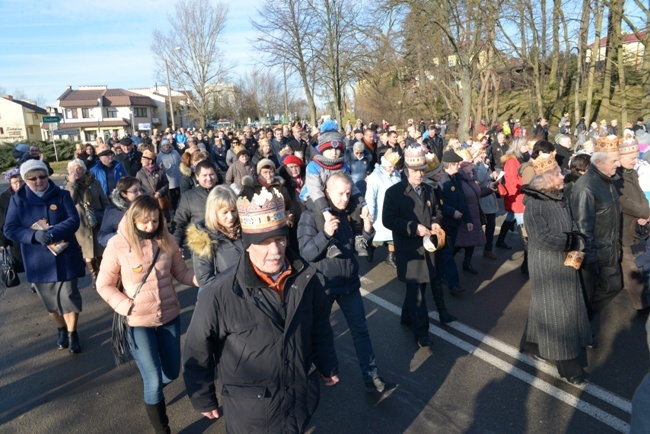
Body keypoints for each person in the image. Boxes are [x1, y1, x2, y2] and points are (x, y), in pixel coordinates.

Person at [183, 186, 339, 432]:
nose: (275, 251)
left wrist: (327, 364)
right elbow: (198, 345)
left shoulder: (306, 278)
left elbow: (320, 325)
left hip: (298, 400)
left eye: (279, 239)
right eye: (264, 243)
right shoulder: (220, 292)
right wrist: (201, 395)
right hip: (250, 413)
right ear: (247, 245)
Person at [97, 195, 197, 433]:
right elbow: (104, 284)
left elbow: (181, 274)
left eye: (155, 221)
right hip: (137, 321)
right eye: (145, 222)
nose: (150, 227)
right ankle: (163, 428)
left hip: (169, 317)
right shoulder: (117, 244)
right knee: (152, 379)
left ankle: (152, 392)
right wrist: (125, 306)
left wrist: (204, 278)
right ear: (133, 220)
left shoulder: (167, 240)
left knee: (171, 372)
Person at [298, 173, 390, 393]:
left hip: (349, 284)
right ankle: (317, 371)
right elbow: (306, 253)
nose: (345, 198)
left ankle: (372, 376)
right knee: (319, 331)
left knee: (360, 330)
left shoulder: (349, 214)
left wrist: (367, 229)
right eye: (340, 193)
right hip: (324, 285)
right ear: (327, 192)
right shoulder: (311, 216)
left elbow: (360, 247)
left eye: (348, 193)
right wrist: (326, 234)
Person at [519, 154, 591, 384]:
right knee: (559, 314)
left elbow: (569, 225)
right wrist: (572, 240)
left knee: (546, 306)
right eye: (558, 173)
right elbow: (542, 238)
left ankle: (530, 343)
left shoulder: (558, 197)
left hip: (564, 260)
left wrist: (578, 237)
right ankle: (569, 368)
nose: (563, 175)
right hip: (548, 265)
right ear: (548, 179)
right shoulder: (535, 204)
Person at [4, 160, 86, 354]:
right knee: (50, 301)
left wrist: (52, 233)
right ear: (25, 180)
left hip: (64, 254)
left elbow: (73, 220)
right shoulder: (18, 200)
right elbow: (10, 228)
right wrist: (33, 236)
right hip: (38, 260)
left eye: (42, 176)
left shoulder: (62, 194)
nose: (38, 181)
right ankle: (61, 330)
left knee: (70, 296)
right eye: (32, 178)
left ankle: (73, 333)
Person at [383, 146, 448, 348]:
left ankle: (406, 316)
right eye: (415, 171)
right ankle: (422, 334)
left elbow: (437, 210)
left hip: (429, 247)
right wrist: (413, 228)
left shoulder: (430, 189)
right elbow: (388, 220)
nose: (419, 174)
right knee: (417, 293)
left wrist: (436, 222)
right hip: (409, 251)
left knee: (418, 288)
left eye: (422, 170)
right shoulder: (394, 193)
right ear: (405, 171)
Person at [570, 136, 622, 325]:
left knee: (613, 287)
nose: (618, 163)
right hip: (595, 254)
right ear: (598, 162)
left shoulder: (608, 181)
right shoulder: (586, 187)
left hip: (609, 249)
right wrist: (589, 261)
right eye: (614, 160)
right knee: (588, 297)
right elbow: (582, 226)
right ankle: (578, 328)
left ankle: (581, 324)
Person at [615, 137, 650, 313]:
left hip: (639, 225)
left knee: (641, 262)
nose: (635, 161)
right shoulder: (615, 176)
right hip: (626, 227)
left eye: (636, 157)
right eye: (632, 158)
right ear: (620, 155)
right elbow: (623, 201)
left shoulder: (632, 172)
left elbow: (640, 195)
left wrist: (647, 212)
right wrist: (644, 213)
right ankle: (641, 305)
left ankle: (643, 296)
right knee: (630, 265)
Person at [63, 159, 109, 290]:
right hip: (81, 224)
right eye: (73, 170)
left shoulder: (94, 182)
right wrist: (73, 184)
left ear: (84, 170)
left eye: (79, 169)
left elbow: (104, 201)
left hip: (97, 222)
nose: (76, 172)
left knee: (101, 251)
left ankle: (103, 275)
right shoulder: (67, 186)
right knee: (88, 253)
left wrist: (107, 217)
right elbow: (69, 202)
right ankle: (95, 276)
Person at [186, 185, 243, 289]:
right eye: (225, 212)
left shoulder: (246, 229)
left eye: (233, 211)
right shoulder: (203, 239)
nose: (231, 217)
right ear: (213, 212)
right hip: (228, 296)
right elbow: (205, 279)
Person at [365, 148, 402, 267]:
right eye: (391, 167)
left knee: (394, 235)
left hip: (395, 211)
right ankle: (371, 247)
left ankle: (390, 257)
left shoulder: (396, 175)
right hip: (381, 211)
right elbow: (370, 197)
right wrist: (371, 214)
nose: (393, 169)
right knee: (381, 237)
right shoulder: (375, 177)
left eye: (394, 167)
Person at [454, 159, 491, 274]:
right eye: (470, 164)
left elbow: (477, 194)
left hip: (475, 214)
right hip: (465, 215)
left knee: (472, 240)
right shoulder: (459, 180)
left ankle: (467, 263)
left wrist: (490, 189)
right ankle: (446, 263)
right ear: (464, 167)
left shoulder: (471, 179)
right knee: (461, 242)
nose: (473, 166)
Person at [173, 160, 219, 250]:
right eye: (204, 175)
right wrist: (176, 245)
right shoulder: (188, 197)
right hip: (200, 247)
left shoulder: (224, 192)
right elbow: (180, 222)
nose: (209, 178)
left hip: (223, 244)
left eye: (211, 174)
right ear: (197, 177)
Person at [98, 176, 143, 247]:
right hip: (125, 250)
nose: (140, 193)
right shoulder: (112, 211)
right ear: (123, 194)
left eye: (140, 189)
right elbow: (102, 237)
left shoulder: (148, 205)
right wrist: (121, 237)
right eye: (135, 191)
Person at [0, 169, 25, 283]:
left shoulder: (29, 193)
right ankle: (33, 280)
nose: (18, 184)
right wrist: (2, 242)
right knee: (21, 262)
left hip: (31, 231)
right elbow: (1, 220)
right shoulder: (4, 198)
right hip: (15, 236)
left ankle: (36, 281)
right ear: (10, 183)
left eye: (20, 181)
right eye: (15, 182)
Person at [156, 139, 182, 212]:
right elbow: (158, 166)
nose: (166, 147)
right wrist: (160, 166)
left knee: (178, 194)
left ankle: (177, 207)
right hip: (168, 177)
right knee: (170, 195)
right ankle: (173, 209)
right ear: (162, 147)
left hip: (177, 176)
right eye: (164, 145)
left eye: (167, 145)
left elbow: (180, 161)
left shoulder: (175, 152)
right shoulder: (160, 155)